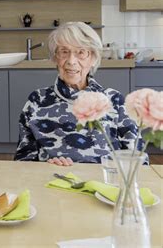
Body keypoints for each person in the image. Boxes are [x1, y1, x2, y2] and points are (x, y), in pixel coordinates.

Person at [14, 22, 143, 166]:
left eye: (81, 52)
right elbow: (23, 161)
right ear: (55, 58)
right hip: (52, 180)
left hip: (105, 183)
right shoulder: (37, 100)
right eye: (64, 52)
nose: (71, 61)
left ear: (93, 58)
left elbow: (137, 160)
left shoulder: (115, 100)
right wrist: (45, 167)